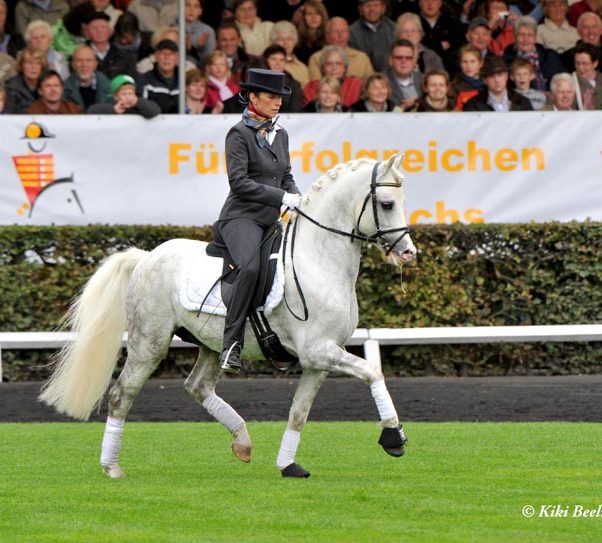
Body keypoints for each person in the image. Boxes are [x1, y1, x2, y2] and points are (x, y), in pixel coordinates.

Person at [214, 68, 302, 373]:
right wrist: (281, 198)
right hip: (242, 217)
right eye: (271, 97)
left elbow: (285, 175)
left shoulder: (281, 134)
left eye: (280, 97)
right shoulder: (238, 134)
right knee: (250, 268)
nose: (277, 102)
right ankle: (231, 344)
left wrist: (297, 196)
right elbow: (238, 183)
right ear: (253, 98)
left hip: (271, 219)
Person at [503, 16, 566, 90]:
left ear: (535, 37)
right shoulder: (506, 60)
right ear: (515, 37)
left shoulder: (550, 56)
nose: (525, 39)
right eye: (521, 35)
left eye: (530, 35)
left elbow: (563, 79)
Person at [307, 16, 374, 81]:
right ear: (327, 36)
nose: (340, 35)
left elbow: (371, 85)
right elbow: (315, 87)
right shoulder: (316, 58)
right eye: (335, 31)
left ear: (348, 34)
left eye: (344, 31)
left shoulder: (362, 58)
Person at [464, 54, 534, 110]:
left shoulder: (523, 102)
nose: (496, 80)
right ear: (485, 80)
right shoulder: (473, 105)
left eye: (500, 75)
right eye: (491, 76)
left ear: (506, 76)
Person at [86, 10, 137, 80]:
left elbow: (130, 83)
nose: (99, 31)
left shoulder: (125, 57)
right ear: (87, 32)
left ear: (110, 31)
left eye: (103, 27)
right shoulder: (79, 56)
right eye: (94, 28)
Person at [417, 0, 464, 73]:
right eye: (426, 0)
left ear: (440, 3)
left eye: (434, 0)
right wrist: (439, 46)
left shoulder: (451, 21)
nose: (430, 4)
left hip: (448, 72)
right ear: (419, 2)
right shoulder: (413, 22)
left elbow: (457, 46)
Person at [349, 0, 396, 72]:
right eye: (368, 6)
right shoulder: (351, 32)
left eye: (376, 5)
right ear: (360, 9)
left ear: (383, 8)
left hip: (390, 77)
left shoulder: (394, 28)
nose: (372, 9)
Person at [63, 43, 112, 110]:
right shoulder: (63, 90)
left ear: (95, 64)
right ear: (73, 64)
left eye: (89, 60)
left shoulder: (110, 88)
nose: (84, 65)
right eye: (79, 60)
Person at [88, 72, 161, 116]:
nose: (128, 97)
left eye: (130, 93)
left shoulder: (139, 107)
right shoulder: (111, 106)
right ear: (116, 96)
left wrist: (138, 102)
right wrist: (113, 110)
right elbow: (91, 111)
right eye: (124, 94)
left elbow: (155, 110)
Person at [137, 38, 180, 113]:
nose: (167, 57)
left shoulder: (185, 81)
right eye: (163, 53)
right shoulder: (144, 81)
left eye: (171, 54)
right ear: (156, 57)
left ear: (177, 58)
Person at [4, 47, 47, 113]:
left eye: (38, 63)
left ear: (42, 67)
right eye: (29, 63)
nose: (33, 67)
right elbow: (8, 117)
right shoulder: (11, 88)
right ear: (22, 66)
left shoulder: (48, 85)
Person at [384, 39, 423, 110]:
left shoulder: (424, 80)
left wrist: (418, 101)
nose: (403, 61)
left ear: (414, 61)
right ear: (390, 60)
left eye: (408, 58)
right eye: (399, 58)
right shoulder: (380, 81)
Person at [262, 44, 303, 111]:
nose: (278, 63)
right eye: (273, 59)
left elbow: (296, 112)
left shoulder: (294, 85)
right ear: (265, 61)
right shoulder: (255, 83)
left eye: (282, 60)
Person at [269, 20, 309, 86]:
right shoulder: (263, 63)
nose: (285, 43)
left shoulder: (302, 68)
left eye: (289, 39)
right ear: (273, 42)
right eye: (281, 39)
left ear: (295, 41)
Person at [451, 44, 485, 109]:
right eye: (464, 62)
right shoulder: (455, 87)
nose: (468, 66)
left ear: (481, 63)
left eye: (472, 61)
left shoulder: (489, 83)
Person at [572, 42, 602, 108]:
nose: (580, 68)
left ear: (595, 63)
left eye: (585, 64)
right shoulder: (568, 81)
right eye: (577, 63)